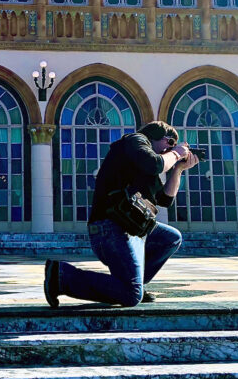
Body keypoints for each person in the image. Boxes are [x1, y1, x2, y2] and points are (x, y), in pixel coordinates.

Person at [43, 121, 199, 308]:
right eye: (170, 142)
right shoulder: (135, 141)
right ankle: (62, 275)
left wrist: (178, 169)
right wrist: (177, 153)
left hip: (132, 227)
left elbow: (165, 200)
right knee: (130, 296)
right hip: (110, 227)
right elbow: (154, 164)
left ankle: (136, 283)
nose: (171, 148)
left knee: (171, 238)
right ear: (158, 137)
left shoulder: (148, 167)